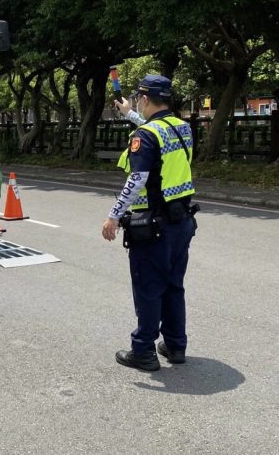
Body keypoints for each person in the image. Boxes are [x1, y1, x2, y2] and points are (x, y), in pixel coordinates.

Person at [101, 75, 198, 371]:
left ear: (145, 99)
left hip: (153, 226)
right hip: (182, 221)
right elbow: (156, 133)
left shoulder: (144, 136)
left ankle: (143, 350)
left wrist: (113, 215)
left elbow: (137, 179)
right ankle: (175, 345)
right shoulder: (181, 127)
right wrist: (129, 113)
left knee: (148, 287)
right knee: (173, 286)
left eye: (139, 101)